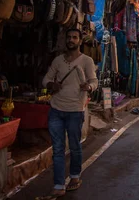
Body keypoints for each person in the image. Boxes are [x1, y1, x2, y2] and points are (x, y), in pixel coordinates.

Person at [40, 28, 98, 199]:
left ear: (80, 41)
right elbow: (46, 79)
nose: (71, 40)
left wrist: (89, 87)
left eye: (74, 37)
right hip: (56, 109)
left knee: (74, 145)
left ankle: (74, 176)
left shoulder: (86, 61)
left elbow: (94, 81)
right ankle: (58, 185)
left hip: (75, 110)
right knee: (58, 149)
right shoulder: (58, 61)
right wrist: (51, 85)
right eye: (69, 37)